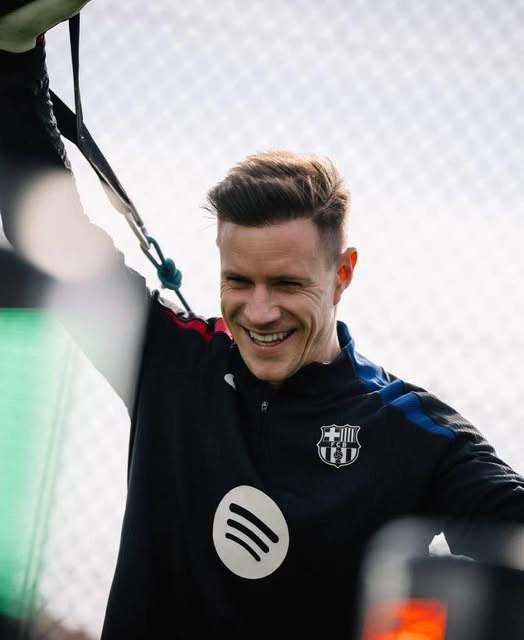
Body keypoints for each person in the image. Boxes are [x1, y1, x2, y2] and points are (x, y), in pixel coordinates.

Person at [2, 3, 524, 639]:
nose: (259, 312)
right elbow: (50, 234)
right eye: (238, 281)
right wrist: (16, 51)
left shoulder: (411, 433)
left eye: (287, 284)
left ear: (343, 273)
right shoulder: (170, 365)